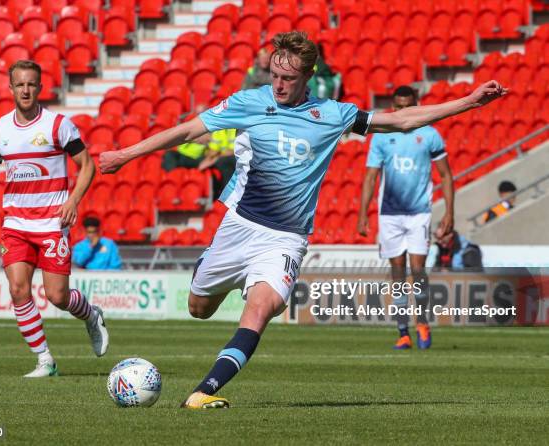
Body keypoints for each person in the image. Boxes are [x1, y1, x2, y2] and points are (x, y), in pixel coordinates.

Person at [99, 31, 506, 408]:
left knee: (261, 310)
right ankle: (218, 291)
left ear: (309, 76)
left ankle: (204, 392)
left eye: (288, 78)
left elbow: (400, 120)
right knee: (198, 308)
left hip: (286, 238)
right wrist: (125, 154)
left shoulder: (332, 113)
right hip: (239, 226)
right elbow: (187, 131)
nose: (278, 85)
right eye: (274, 75)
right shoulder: (249, 101)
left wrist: (470, 101)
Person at [0, 60, 108, 378]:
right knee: (19, 290)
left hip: (52, 223)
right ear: (11, 89)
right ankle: (45, 360)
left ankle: (90, 314)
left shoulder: (58, 125)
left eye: (31, 84)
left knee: (57, 297)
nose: (26, 90)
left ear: (41, 88)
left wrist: (73, 200)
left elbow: (87, 165)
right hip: (16, 223)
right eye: (20, 84)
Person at [357, 85, 455, 351]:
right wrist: (362, 212)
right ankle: (403, 331)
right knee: (398, 273)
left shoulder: (430, 135)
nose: (402, 112)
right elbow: (370, 176)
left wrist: (449, 212)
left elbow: (446, 175)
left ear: (417, 104)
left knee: (418, 270)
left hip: (418, 213)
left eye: (407, 106)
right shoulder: (380, 137)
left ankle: (422, 321)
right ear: (393, 106)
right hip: (389, 214)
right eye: (398, 107)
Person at [199, 128, 236, 198]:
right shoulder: (218, 131)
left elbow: (233, 151)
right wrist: (209, 159)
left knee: (224, 162)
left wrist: (215, 158)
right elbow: (212, 150)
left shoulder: (235, 129)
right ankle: (212, 195)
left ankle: (228, 193)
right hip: (221, 157)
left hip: (234, 158)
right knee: (207, 166)